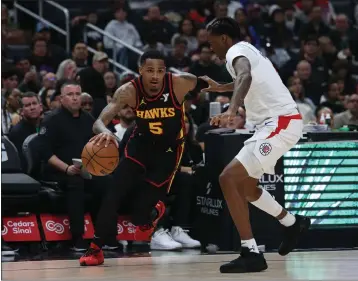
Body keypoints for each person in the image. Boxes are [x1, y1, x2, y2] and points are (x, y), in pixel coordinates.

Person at [200, 17, 311, 273]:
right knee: (247, 187)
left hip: (280, 123)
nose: (209, 47)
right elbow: (247, 80)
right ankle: (293, 223)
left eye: (212, 41)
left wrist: (233, 108)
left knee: (227, 178)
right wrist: (223, 87)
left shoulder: (235, 52)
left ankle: (250, 252)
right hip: (272, 125)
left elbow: (246, 76)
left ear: (225, 39)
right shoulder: (246, 51)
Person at [79, 50, 198, 266]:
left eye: (159, 71)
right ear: (140, 70)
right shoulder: (129, 91)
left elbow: (211, 84)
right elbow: (98, 121)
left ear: (165, 72)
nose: (155, 75)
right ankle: (95, 249)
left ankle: (153, 213)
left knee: (140, 218)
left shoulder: (178, 84)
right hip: (139, 148)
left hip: (167, 154)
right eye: (150, 70)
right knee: (112, 196)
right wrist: (104, 131)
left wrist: (236, 88)